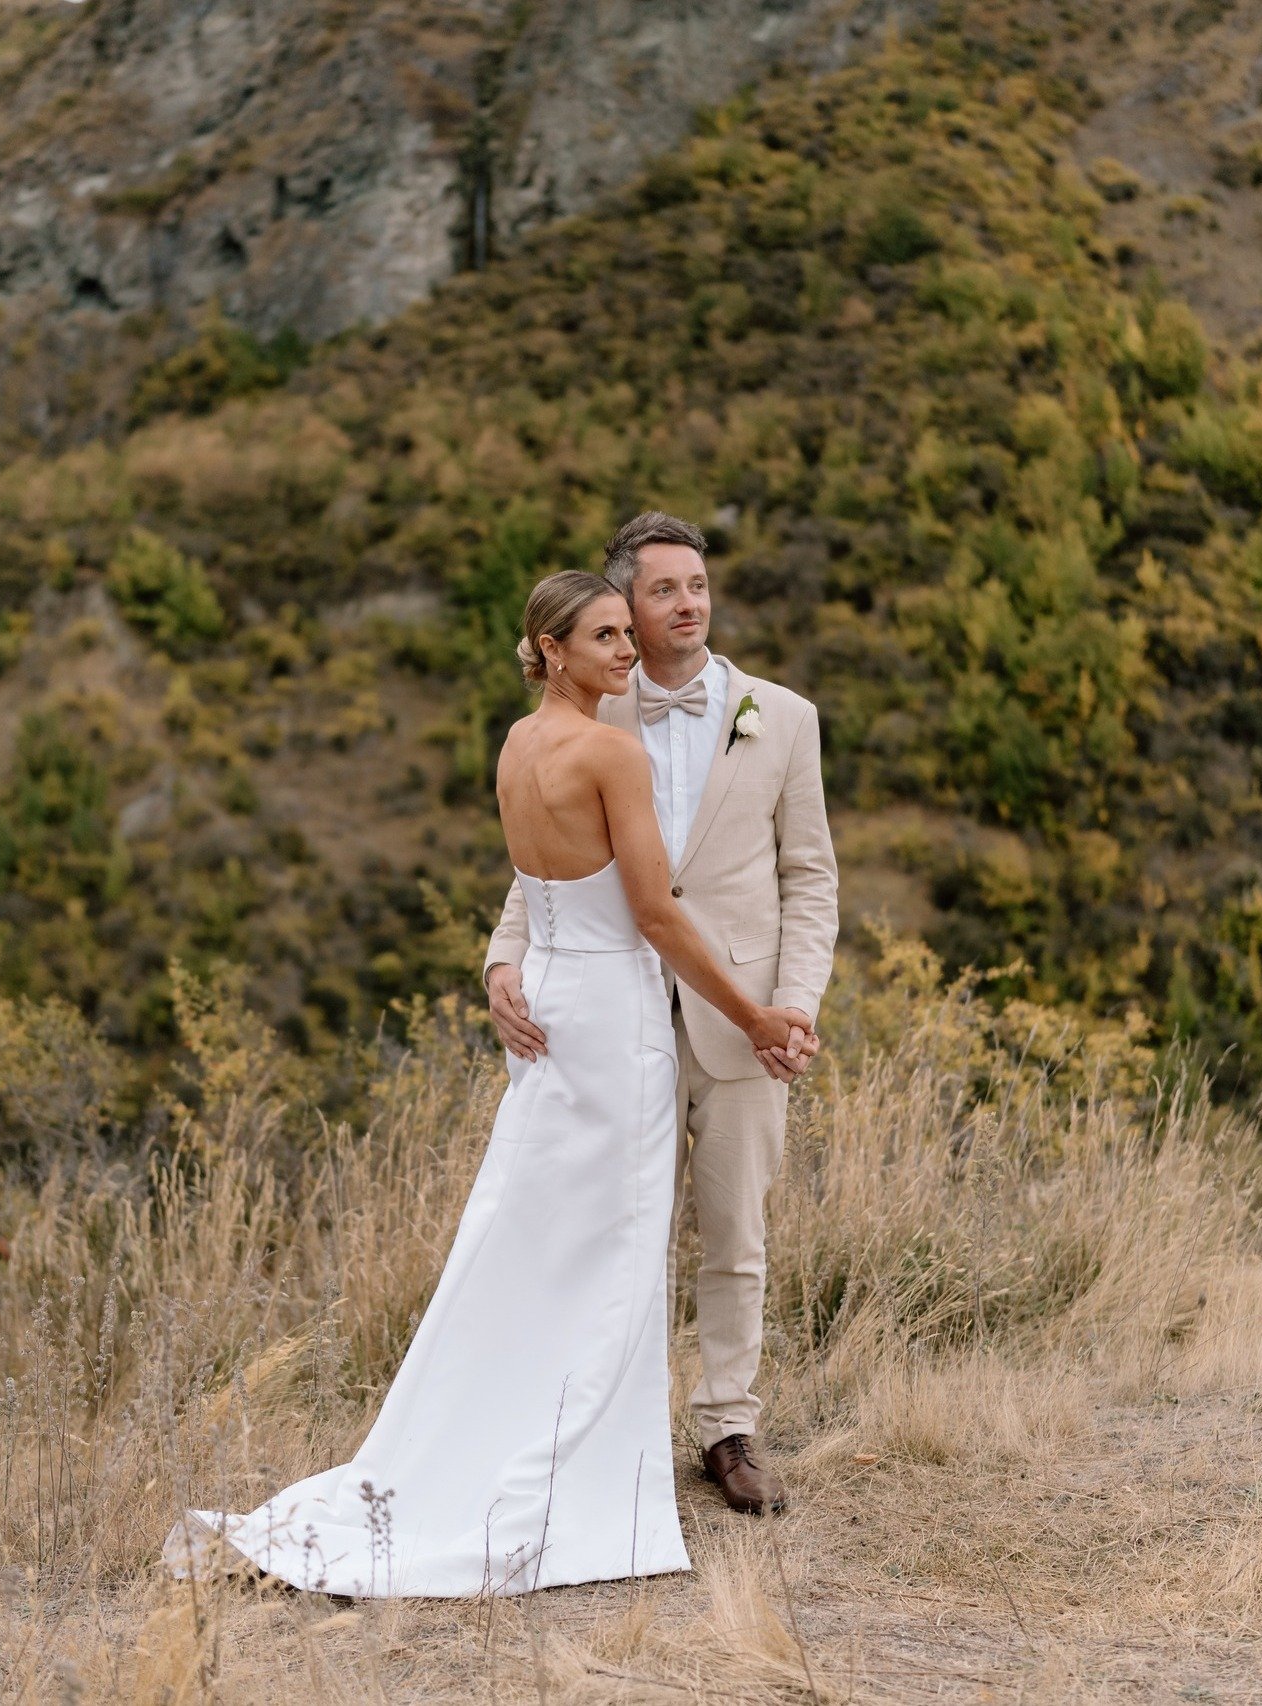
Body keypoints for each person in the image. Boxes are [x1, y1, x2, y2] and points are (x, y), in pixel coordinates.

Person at [163, 570, 799, 1598]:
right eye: (603, 636)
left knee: (534, 1231)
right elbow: (656, 914)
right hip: (610, 1017)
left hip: (547, 1001)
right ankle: (580, 1481)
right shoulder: (610, 749)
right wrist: (755, 1013)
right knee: (616, 1240)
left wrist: (507, 967)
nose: (626, 648)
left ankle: (495, 1430)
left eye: (621, 633)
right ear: (551, 646)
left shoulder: (517, 742)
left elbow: (542, 892)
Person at [485, 513, 838, 1516]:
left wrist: (794, 1003)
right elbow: (550, 858)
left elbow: (810, 878)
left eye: (700, 585)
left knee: (735, 1231)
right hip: (615, 1019)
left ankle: (727, 1426)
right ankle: (607, 1426)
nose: (689, 603)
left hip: (743, 1020)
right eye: (666, 589)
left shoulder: (784, 716)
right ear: (625, 610)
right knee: (613, 1231)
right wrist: (504, 955)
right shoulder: (593, 707)